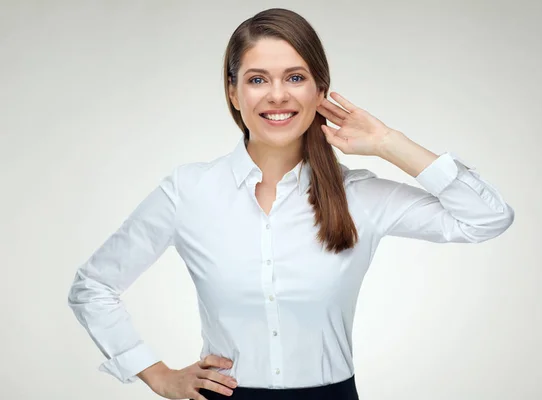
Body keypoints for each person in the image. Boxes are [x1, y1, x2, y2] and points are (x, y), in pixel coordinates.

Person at [67, 7, 515, 400]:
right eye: (257, 79)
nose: (277, 95)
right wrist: (158, 375)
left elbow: (487, 218)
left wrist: (386, 142)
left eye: (295, 78)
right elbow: (93, 287)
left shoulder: (359, 195)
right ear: (232, 93)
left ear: (319, 91)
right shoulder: (189, 190)